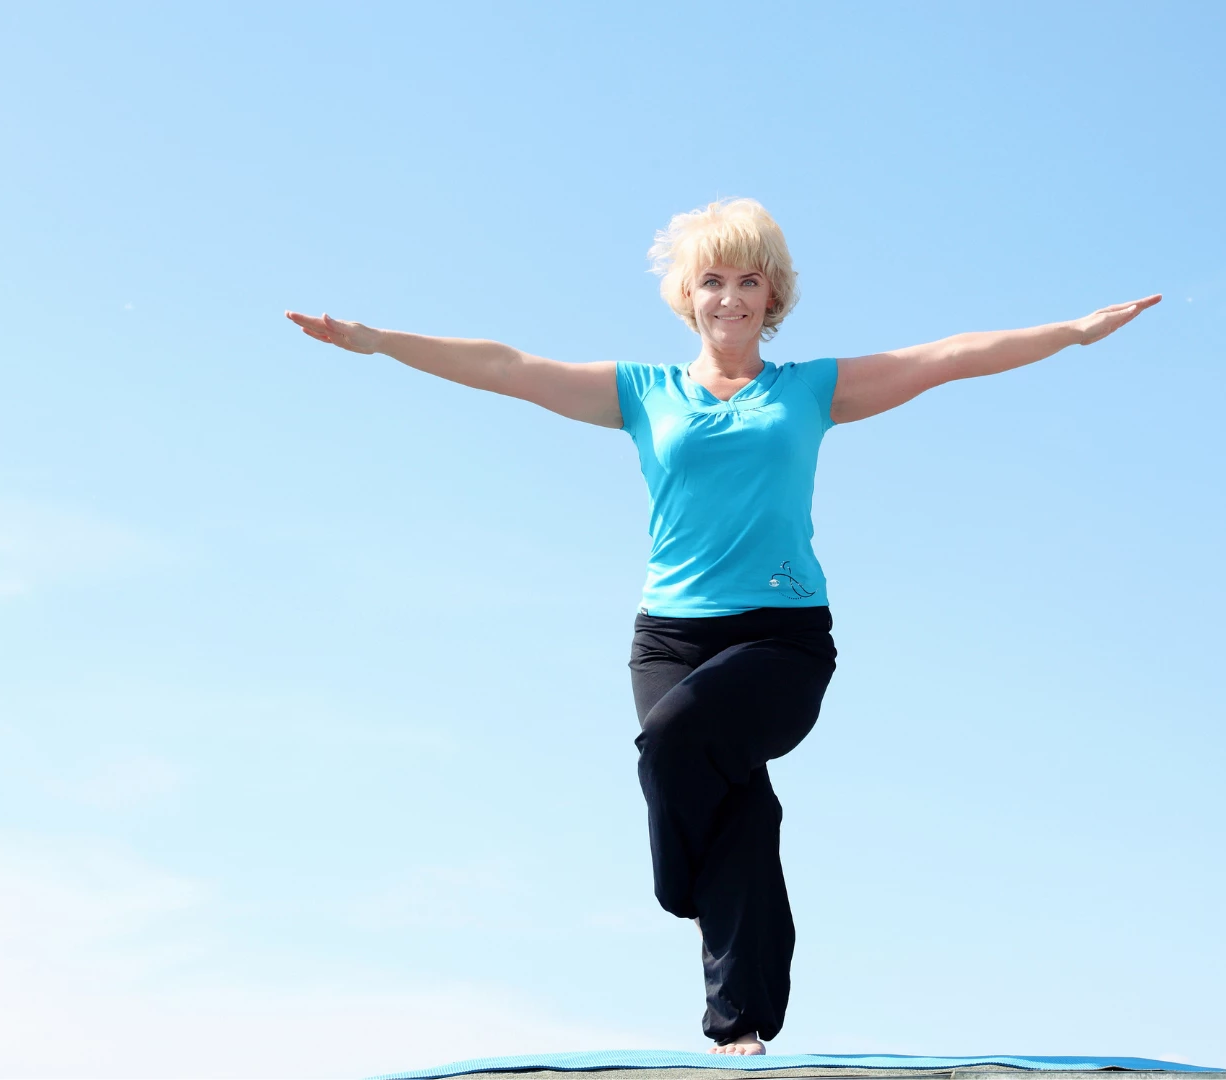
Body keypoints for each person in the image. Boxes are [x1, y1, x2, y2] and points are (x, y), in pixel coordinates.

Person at [286, 198, 1158, 1056]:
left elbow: (947, 357)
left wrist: (1072, 332)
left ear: (772, 297)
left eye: (749, 281)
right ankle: (739, 1025)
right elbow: (507, 364)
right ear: (687, 295)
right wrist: (377, 341)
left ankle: (681, 889)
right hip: (669, 635)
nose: (731, 297)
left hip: (782, 641)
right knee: (737, 805)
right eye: (713, 280)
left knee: (678, 740)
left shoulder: (813, 390)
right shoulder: (641, 392)